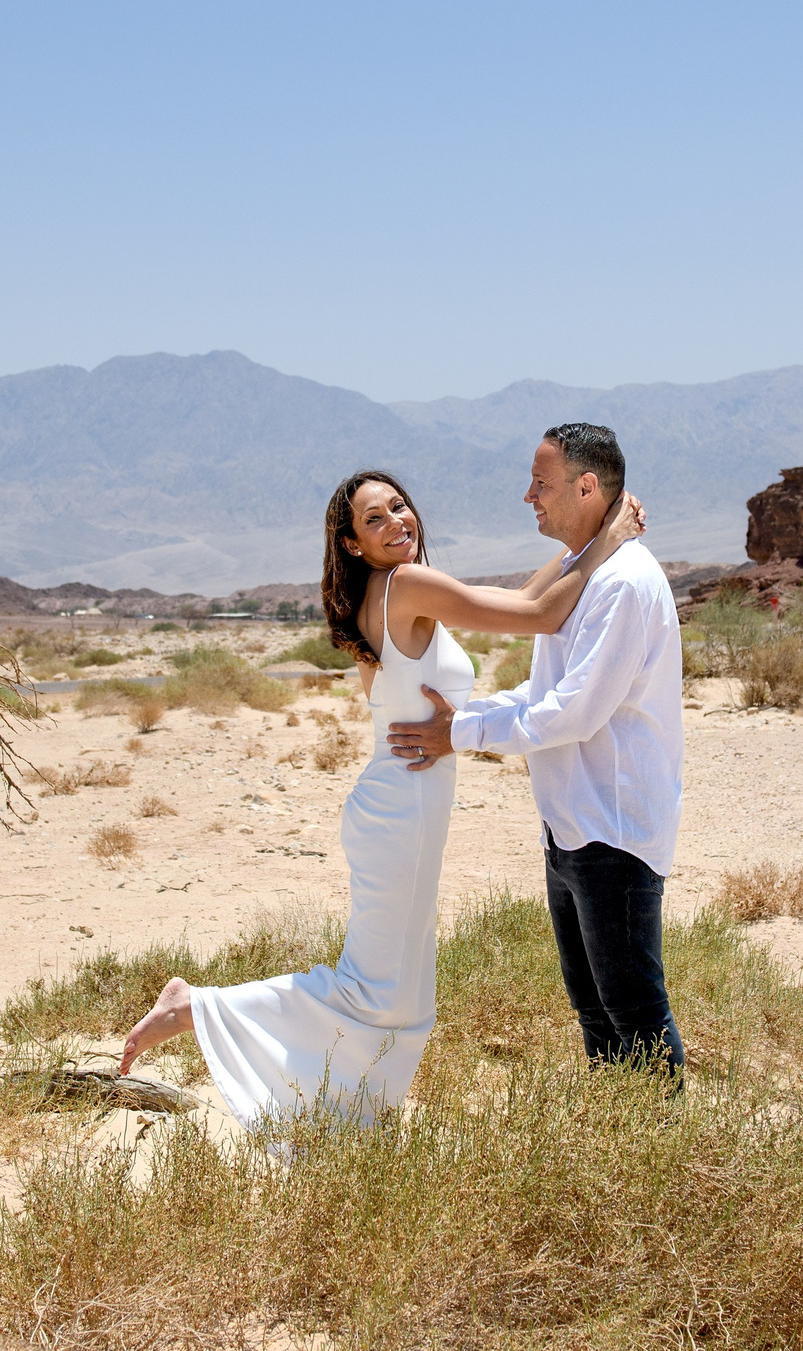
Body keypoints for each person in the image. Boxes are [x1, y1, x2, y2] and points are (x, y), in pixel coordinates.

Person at [116, 464, 646, 1125]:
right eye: (375, 518)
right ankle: (195, 1007)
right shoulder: (405, 584)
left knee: (408, 999)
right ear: (353, 543)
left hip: (400, 806)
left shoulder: (391, 589)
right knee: (374, 992)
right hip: (400, 812)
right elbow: (538, 615)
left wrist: (583, 544)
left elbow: (517, 596)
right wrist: (608, 539)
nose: (397, 521)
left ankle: (346, 1122)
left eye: (399, 506)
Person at [388, 423, 686, 1074]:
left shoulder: (622, 582)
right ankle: (616, 1130)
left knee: (635, 1014)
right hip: (572, 827)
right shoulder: (586, 571)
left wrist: (459, 733)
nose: (528, 496)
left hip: (613, 832)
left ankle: (660, 1138)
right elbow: (549, 688)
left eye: (541, 482)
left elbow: (573, 711)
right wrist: (466, 718)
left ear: (587, 487)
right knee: (595, 1014)